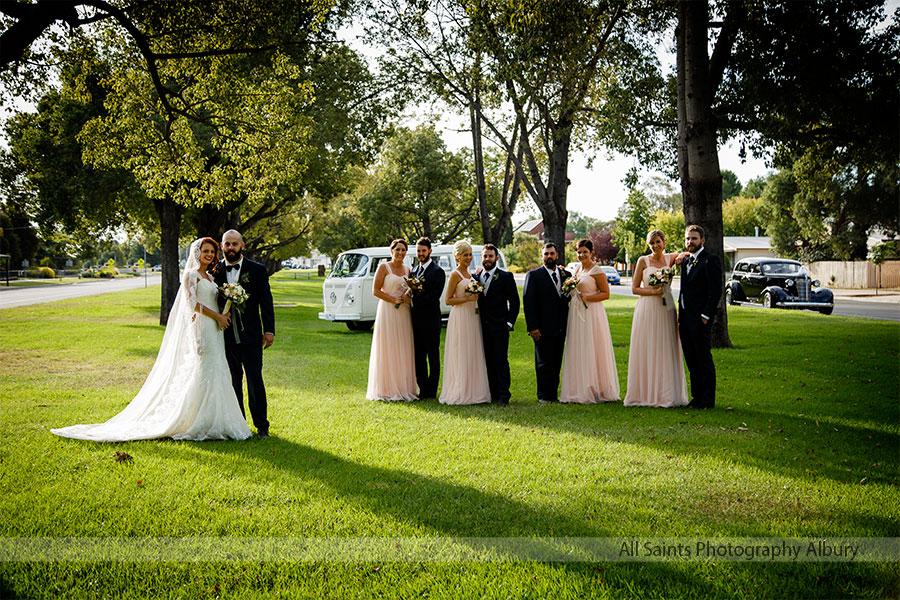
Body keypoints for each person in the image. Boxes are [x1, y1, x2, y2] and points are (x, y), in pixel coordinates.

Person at [51, 238, 252, 442]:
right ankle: (195, 420)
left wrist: (223, 313)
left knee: (216, 367)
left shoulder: (209, 277)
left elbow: (210, 300)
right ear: (197, 253)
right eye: (206, 251)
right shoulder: (191, 276)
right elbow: (192, 305)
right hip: (203, 328)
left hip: (215, 329)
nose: (209, 255)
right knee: (204, 367)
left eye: (212, 251)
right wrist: (217, 316)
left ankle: (217, 420)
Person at [215, 230, 275, 437]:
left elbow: (266, 302)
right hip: (223, 336)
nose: (230, 248)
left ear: (242, 245)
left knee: (254, 379)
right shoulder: (214, 270)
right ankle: (238, 424)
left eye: (234, 244)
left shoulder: (257, 270)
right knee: (232, 379)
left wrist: (269, 330)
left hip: (251, 335)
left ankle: (262, 426)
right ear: (222, 246)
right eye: (227, 244)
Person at [623, 229, 689, 408]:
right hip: (647, 307)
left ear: (664, 242)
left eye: (658, 241)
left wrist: (681, 256)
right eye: (652, 243)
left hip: (666, 308)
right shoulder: (642, 261)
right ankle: (645, 393)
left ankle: (666, 393)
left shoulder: (670, 258)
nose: (655, 245)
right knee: (648, 346)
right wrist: (654, 291)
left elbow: (688, 251)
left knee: (666, 346)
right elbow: (635, 288)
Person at [560, 239, 620, 403]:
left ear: (591, 253)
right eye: (579, 252)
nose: (581, 255)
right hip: (577, 314)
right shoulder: (578, 269)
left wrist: (588, 297)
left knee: (592, 348)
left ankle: (596, 388)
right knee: (580, 348)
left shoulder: (597, 270)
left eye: (585, 252)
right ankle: (581, 386)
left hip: (592, 314)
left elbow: (605, 294)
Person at [439, 240, 491, 405]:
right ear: (457, 257)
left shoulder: (472, 275)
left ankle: (474, 389)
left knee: (472, 350)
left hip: (472, 316)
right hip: (460, 316)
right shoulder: (455, 275)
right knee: (461, 351)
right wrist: (467, 298)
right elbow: (448, 300)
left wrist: (475, 295)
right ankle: (460, 390)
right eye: (465, 255)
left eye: (470, 255)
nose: (468, 258)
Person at [366, 239, 418, 401]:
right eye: (398, 250)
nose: (400, 253)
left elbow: (411, 292)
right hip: (387, 311)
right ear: (391, 250)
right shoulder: (383, 267)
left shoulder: (408, 269)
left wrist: (408, 299)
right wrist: (392, 299)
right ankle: (386, 388)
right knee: (388, 346)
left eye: (403, 250)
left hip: (403, 312)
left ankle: (403, 387)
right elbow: (375, 291)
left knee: (403, 346)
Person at [678, 224, 722, 409]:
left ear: (702, 240)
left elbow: (715, 291)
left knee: (703, 359)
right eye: (688, 238)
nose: (690, 242)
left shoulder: (710, 260)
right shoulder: (686, 261)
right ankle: (696, 398)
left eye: (694, 238)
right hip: (685, 318)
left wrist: (705, 316)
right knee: (691, 359)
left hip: (700, 319)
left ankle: (707, 400)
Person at [523, 242, 570, 403]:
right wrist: (533, 327)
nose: (549, 256)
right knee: (543, 363)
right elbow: (529, 303)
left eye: (551, 253)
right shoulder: (534, 276)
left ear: (557, 255)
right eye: (546, 254)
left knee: (557, 361)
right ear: (542, 257)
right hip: (541, 328)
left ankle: (553, 395)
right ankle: (543, 395)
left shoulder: (566, 275)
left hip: (561, 327)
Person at [475, 243, 520, 405]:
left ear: (496, 258)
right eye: (485, 256)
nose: (487, 259)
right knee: (487, 359)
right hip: (481, 326)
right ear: (482, 258)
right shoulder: (476, 278)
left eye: (490, 256)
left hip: (500, 326)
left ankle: (503, 395)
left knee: (501, 360)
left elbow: (515, 302)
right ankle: (492, 393)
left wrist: (509, 323)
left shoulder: (506, 277)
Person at [409, 237, 446, 399]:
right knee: (419, 357)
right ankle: (423, 387)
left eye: (424, 251)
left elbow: (433, 297)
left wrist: (413, 299)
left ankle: (431, 390)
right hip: (416, 321)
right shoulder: (414, 271)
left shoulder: (438, 271)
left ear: (430, 251)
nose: (421, 254)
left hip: (431, 321)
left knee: (433, 356)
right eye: (418, 251)